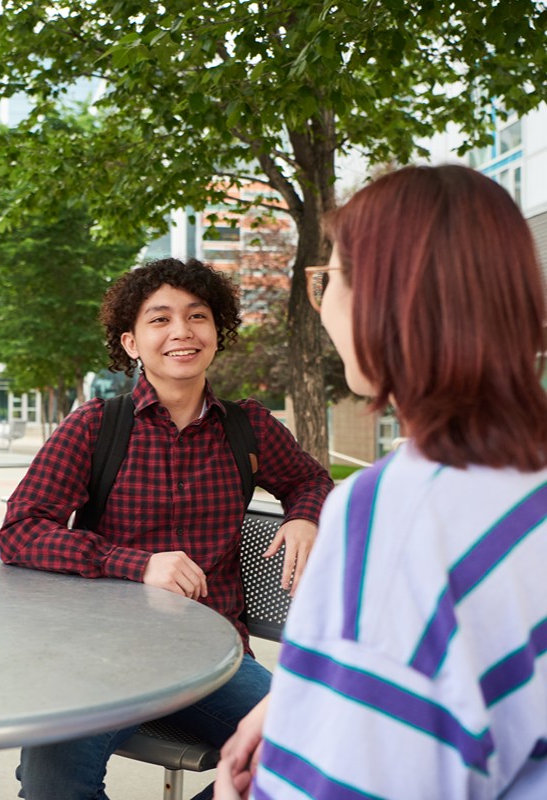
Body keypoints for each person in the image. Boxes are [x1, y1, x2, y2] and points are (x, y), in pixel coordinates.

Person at [214, 164, 547, 799]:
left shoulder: (399, 512)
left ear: (382, 298)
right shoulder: (524, 481)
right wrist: (303, 699)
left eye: (327, 281)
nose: (322, 307)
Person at [0, 257, 333, 800]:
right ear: (131, 343)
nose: (182, 331)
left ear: (216, 334)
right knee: (51, 788)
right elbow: (21, 531)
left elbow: (311, 480)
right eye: (160, 320)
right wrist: (135, 563)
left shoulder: (250, 428)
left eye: (197, 316)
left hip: (214, 657)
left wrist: (304, 514)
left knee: (313, 751)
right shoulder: (95, 427)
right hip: (103, 656)